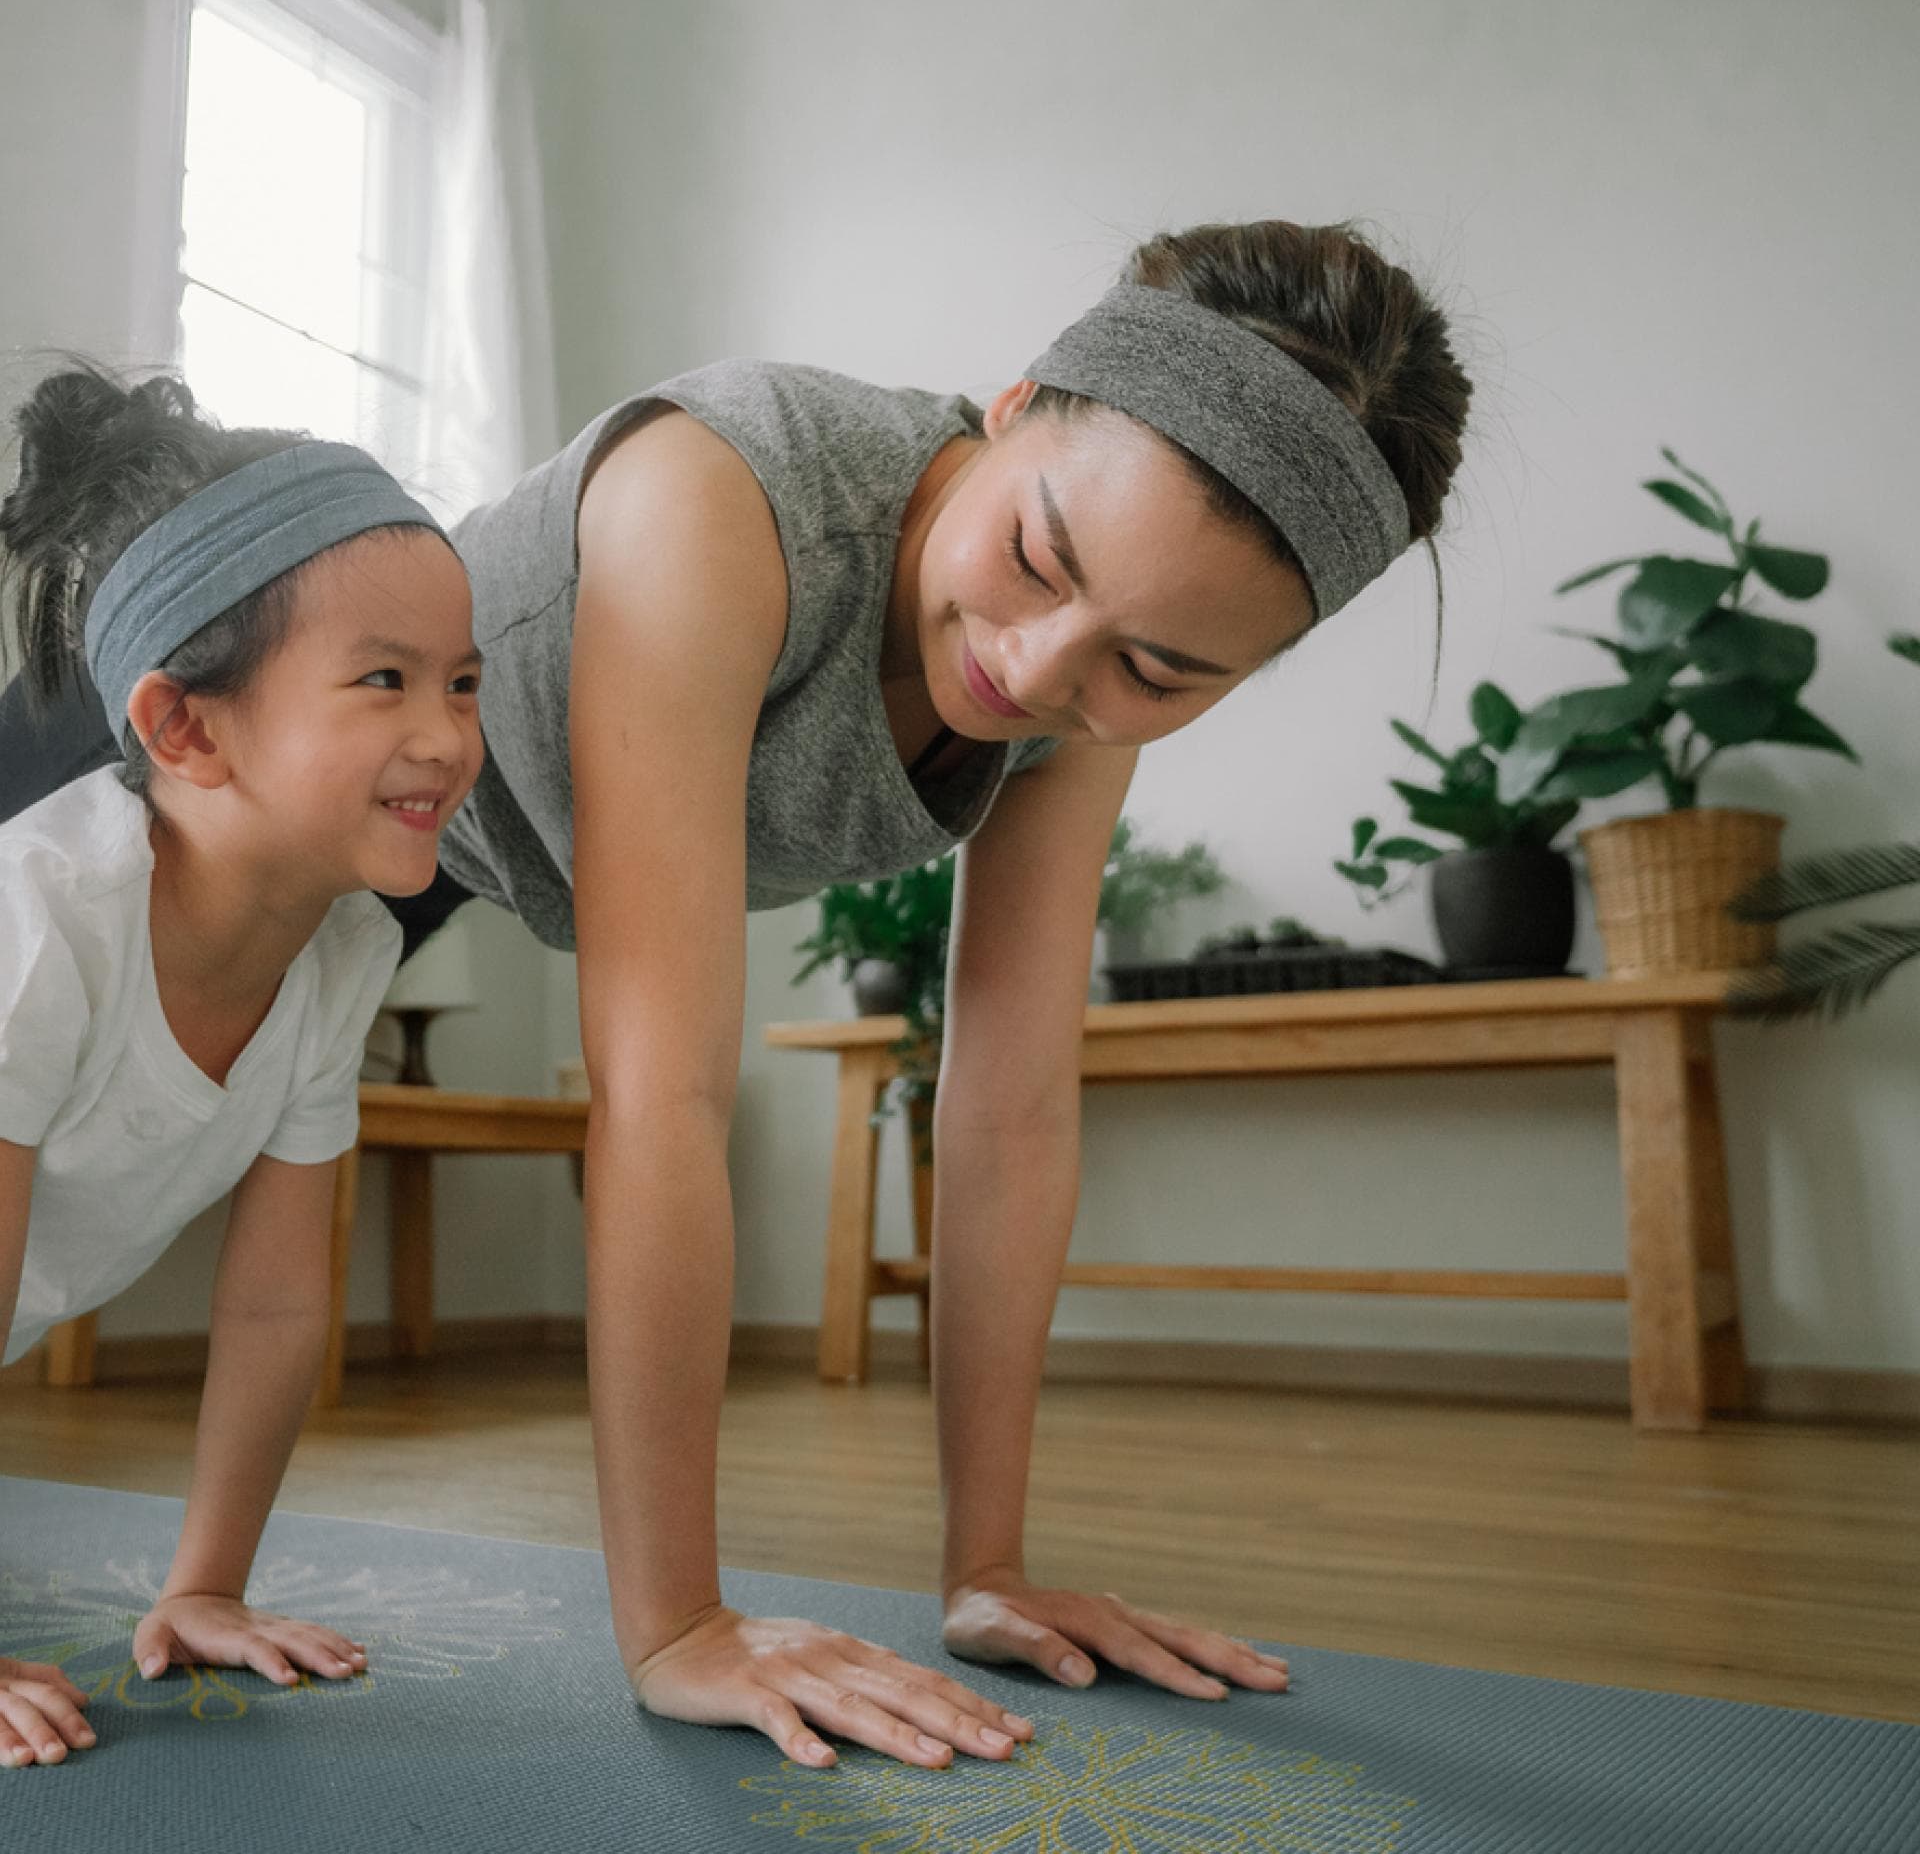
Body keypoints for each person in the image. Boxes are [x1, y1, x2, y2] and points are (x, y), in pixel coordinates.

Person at [0, 219, 1472, 1773]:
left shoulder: (1077, 680)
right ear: (1013, 410)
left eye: (1159, 673)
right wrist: (678, 1624)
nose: (1044, 671)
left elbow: (1010, 1103)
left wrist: (987, 1570)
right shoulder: (722, 500)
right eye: (1038, 560)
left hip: (394, 852)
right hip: (179, 744)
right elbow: (665, 1094)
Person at [0, 370, 485, 1768]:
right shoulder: (40, 920)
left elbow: (274, 1305)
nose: (448, 736)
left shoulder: (341, 953)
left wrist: (206, 1583)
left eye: (462, 683)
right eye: (385, 680)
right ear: (186, 729)